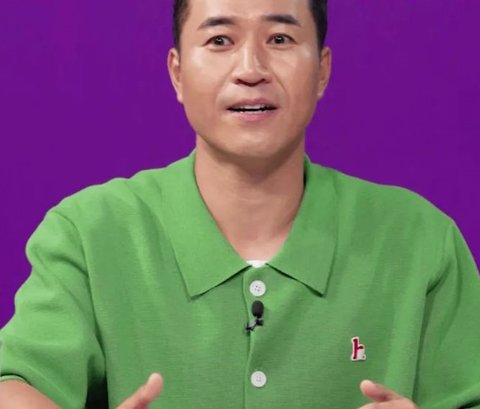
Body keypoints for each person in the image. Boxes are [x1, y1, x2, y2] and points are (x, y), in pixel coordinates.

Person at [1, 0, 479, 408]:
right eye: (220, 41)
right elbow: (13, 383)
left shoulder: (420, 238)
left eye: (280, 39)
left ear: (322, 71)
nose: (251, 69)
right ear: (178, 73)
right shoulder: (88, 233)